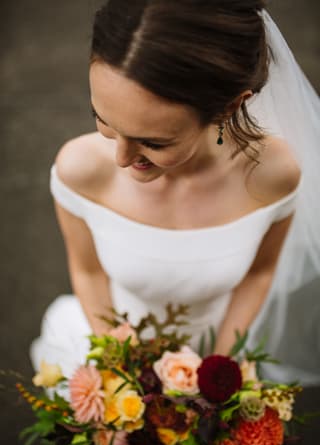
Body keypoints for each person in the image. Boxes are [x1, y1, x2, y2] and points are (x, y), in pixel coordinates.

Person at [30, 0, 320, 385]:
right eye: (102, 119)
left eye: (153, 142)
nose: (120, 157)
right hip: (113, 346)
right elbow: (88, 271)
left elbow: (259, 274)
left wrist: (217, 372)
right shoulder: (80, 169)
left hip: (216, 341)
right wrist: (121, 372)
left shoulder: (273, 175)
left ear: (229, 108)